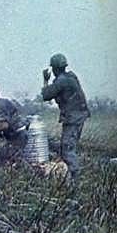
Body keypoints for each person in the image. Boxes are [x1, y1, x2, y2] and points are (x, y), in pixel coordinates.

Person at [41, 53, 89, 184]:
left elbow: (46, 95)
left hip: (73, 119)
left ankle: (74, 181)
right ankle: (70, 179)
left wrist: (45, 80)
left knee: (67, 150)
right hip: (77, 117)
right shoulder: (70, 78)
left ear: (55, 68)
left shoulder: (62, 81)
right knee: (66, 147)